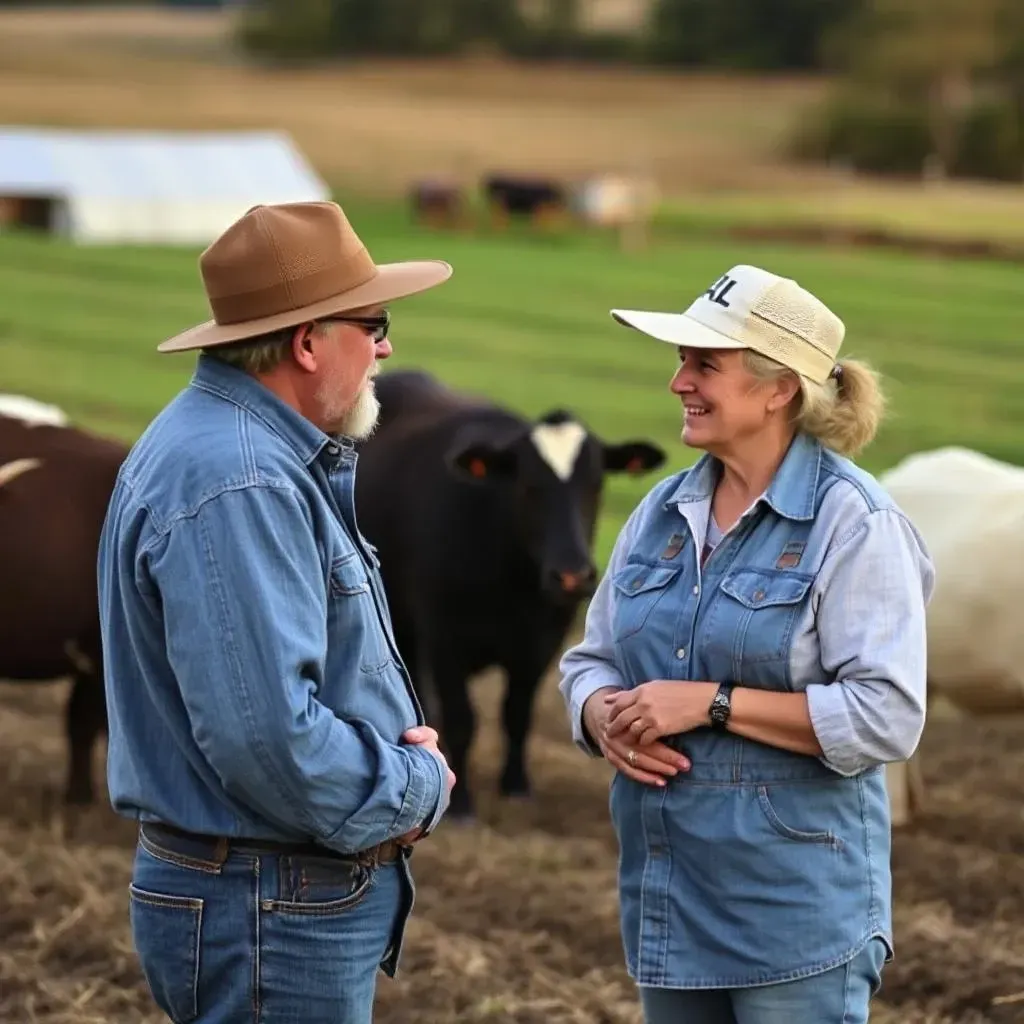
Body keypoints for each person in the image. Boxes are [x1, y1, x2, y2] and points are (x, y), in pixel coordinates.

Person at [97, 200, 457, 1024]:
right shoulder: (243, 478)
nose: (387, 348)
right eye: (373, 324)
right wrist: (414, 786)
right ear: (306, 342)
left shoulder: (216, 445)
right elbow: (270, 742)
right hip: (268, 902)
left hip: (256, 894)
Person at [558, 264, 934, 1024]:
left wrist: (712, 703)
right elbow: (588, 658)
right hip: (669, 898)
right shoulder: (661, 511)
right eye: (681, 361)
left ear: (779, 389)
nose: (679, 383)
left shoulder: (854, 523)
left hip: (794, 918)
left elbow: (887, 716)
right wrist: (600, 712)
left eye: (705, 364)